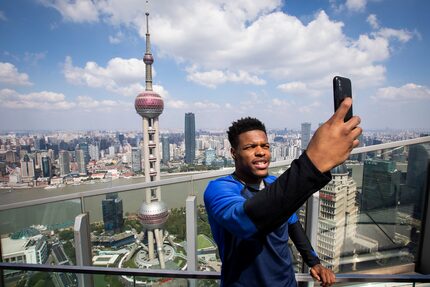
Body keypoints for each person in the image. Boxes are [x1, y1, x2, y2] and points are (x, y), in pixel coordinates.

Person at [204, 98, 361, 286]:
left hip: (286, 282)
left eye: (265, 146)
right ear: (233, 152)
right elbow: (244, 222)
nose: (260, 152)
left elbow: (293, 225)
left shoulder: (274, 183)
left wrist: (314, 262)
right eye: (250, 147)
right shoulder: (220, 188)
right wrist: (312, 164)